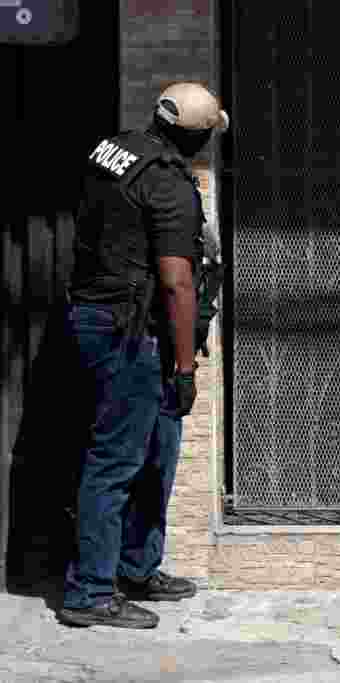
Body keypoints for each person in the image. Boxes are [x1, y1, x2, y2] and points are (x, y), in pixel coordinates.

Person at [58, 82, 229, 629]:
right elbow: (177, 283)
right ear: (199, 136)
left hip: (101, 317)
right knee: (115, 461)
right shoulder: (170, 185)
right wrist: (184, 368)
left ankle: (136, 566)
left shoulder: (113, 152)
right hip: (130, 332)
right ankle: (89, 592)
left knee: (159, 449)